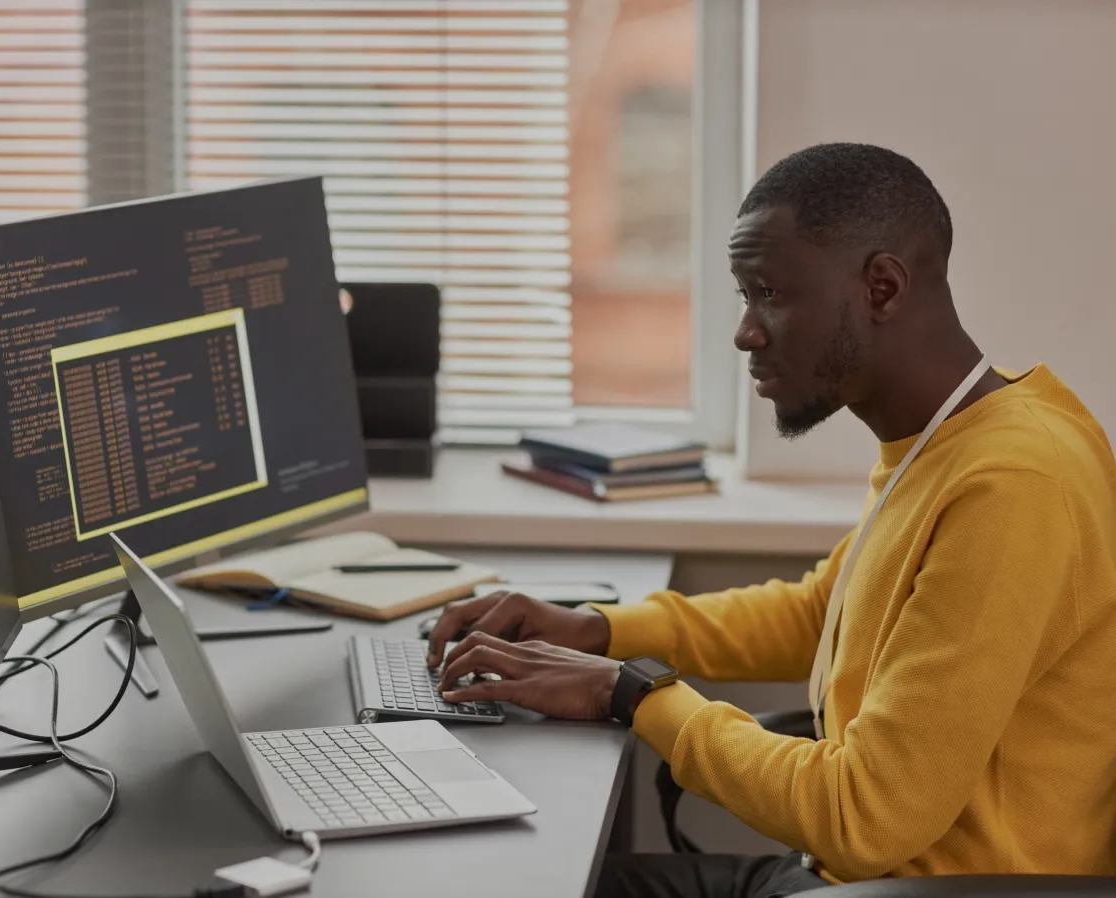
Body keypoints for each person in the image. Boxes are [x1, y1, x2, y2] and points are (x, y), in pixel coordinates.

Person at [424, 143, 1116, 898]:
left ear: (881, 287)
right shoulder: (949, 440)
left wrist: (627, 694)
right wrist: (599, 629)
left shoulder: (1014, 483)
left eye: (770, 294)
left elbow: (866, 815)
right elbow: (826, 612)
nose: (747, 333)